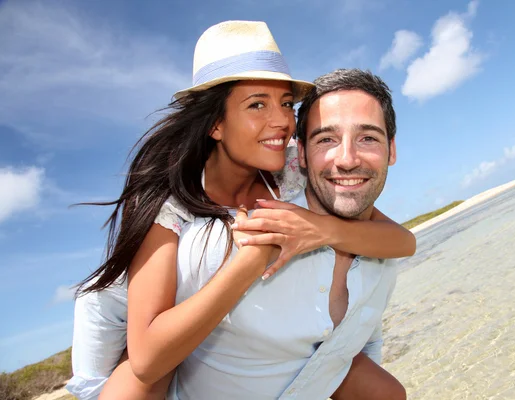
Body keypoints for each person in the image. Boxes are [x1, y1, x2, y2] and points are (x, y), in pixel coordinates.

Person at [66, 20, 415, 400]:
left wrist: (319, 229)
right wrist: (253, 260)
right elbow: (147, 360)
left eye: (285, 103)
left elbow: (401, 240)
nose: (282, 121)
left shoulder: (290, 169)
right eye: (257, 104)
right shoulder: (167, 205)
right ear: (216, 123)